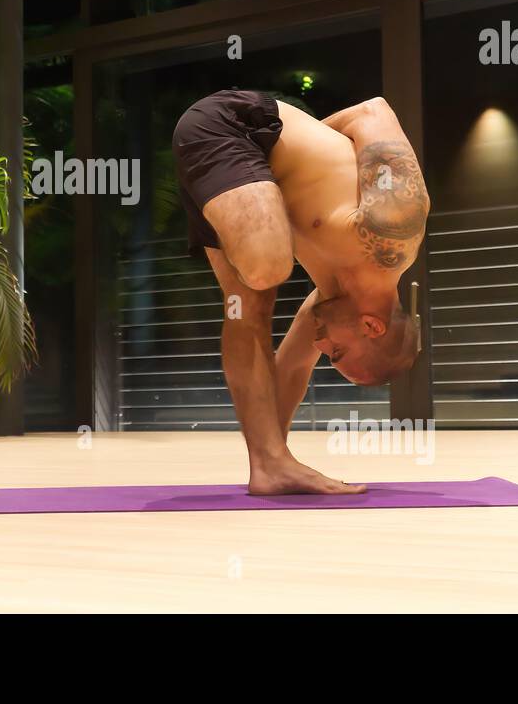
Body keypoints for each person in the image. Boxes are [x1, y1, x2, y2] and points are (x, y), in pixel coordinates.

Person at [172, 89, 429, 495]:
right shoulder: (393, 230)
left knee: (245, 309)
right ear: (372, 326)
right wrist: (302, 142)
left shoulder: (331, 304)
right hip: (236, 126)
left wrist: (278, 447)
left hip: (237, 176)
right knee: (268, 268)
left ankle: (270, 466)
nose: (322, 346)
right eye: (338, 353)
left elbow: (291, 368)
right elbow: (372, 110)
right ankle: (271, 462)